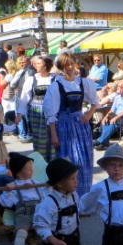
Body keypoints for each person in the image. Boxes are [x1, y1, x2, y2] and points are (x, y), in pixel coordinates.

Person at [43, 52, 99, 198]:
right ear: (61, 67)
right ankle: (68, 196)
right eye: (66, 64)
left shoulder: (83, 83)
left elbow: (94, 102)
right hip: (64, 126)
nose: (69, 67)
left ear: (75, 64)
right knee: (69, 161)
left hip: (81, 125)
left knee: (85, 160)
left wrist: (88, 114)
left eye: (71, 63)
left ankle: (83, 197)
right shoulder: (56, 86)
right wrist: (54, 135)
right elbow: (51, 114)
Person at [0, 153, 46, 245]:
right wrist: (8, 190)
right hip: (23, 213)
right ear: (19, 173)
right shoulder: (14, 186)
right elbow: (6, 203)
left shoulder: (36, 183)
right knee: (21, 233)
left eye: (32, 168)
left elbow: (46, 197)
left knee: (48, 229)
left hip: (38, 211)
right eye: (29, 169)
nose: (32, 170)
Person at [15, 56, 56, 162]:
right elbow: (24, 97)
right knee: (39, 139)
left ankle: (53, 164)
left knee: (53, 137)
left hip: (53, 112)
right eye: (35, 63)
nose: (35, 65)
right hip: (37, 112)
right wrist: (20, 114)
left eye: (38, 63)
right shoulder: (32, 79)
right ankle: (41, 166)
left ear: (45, 65)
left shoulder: (56, 78)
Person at [93, 80, 123, 151]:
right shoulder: (117, 97)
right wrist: (106, 117)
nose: (117, 89)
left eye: (119, 87)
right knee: (105, 121)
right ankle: (104, 143)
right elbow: (112, 110)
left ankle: (100, 141)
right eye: (117, 87)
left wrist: (116, 117)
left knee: (113, 122)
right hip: (115, 115)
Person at [10, 56, 34, 142]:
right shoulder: (21, 72)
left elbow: (28, 86)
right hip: (20, 94)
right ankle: (23, 134)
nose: (22, 64)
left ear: (29, 62)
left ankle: (29, 134)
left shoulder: (30, 71)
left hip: (26, 96)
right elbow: (12, 84)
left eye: (23, 62)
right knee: (21, 115)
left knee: (27, 117)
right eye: (20, 63)